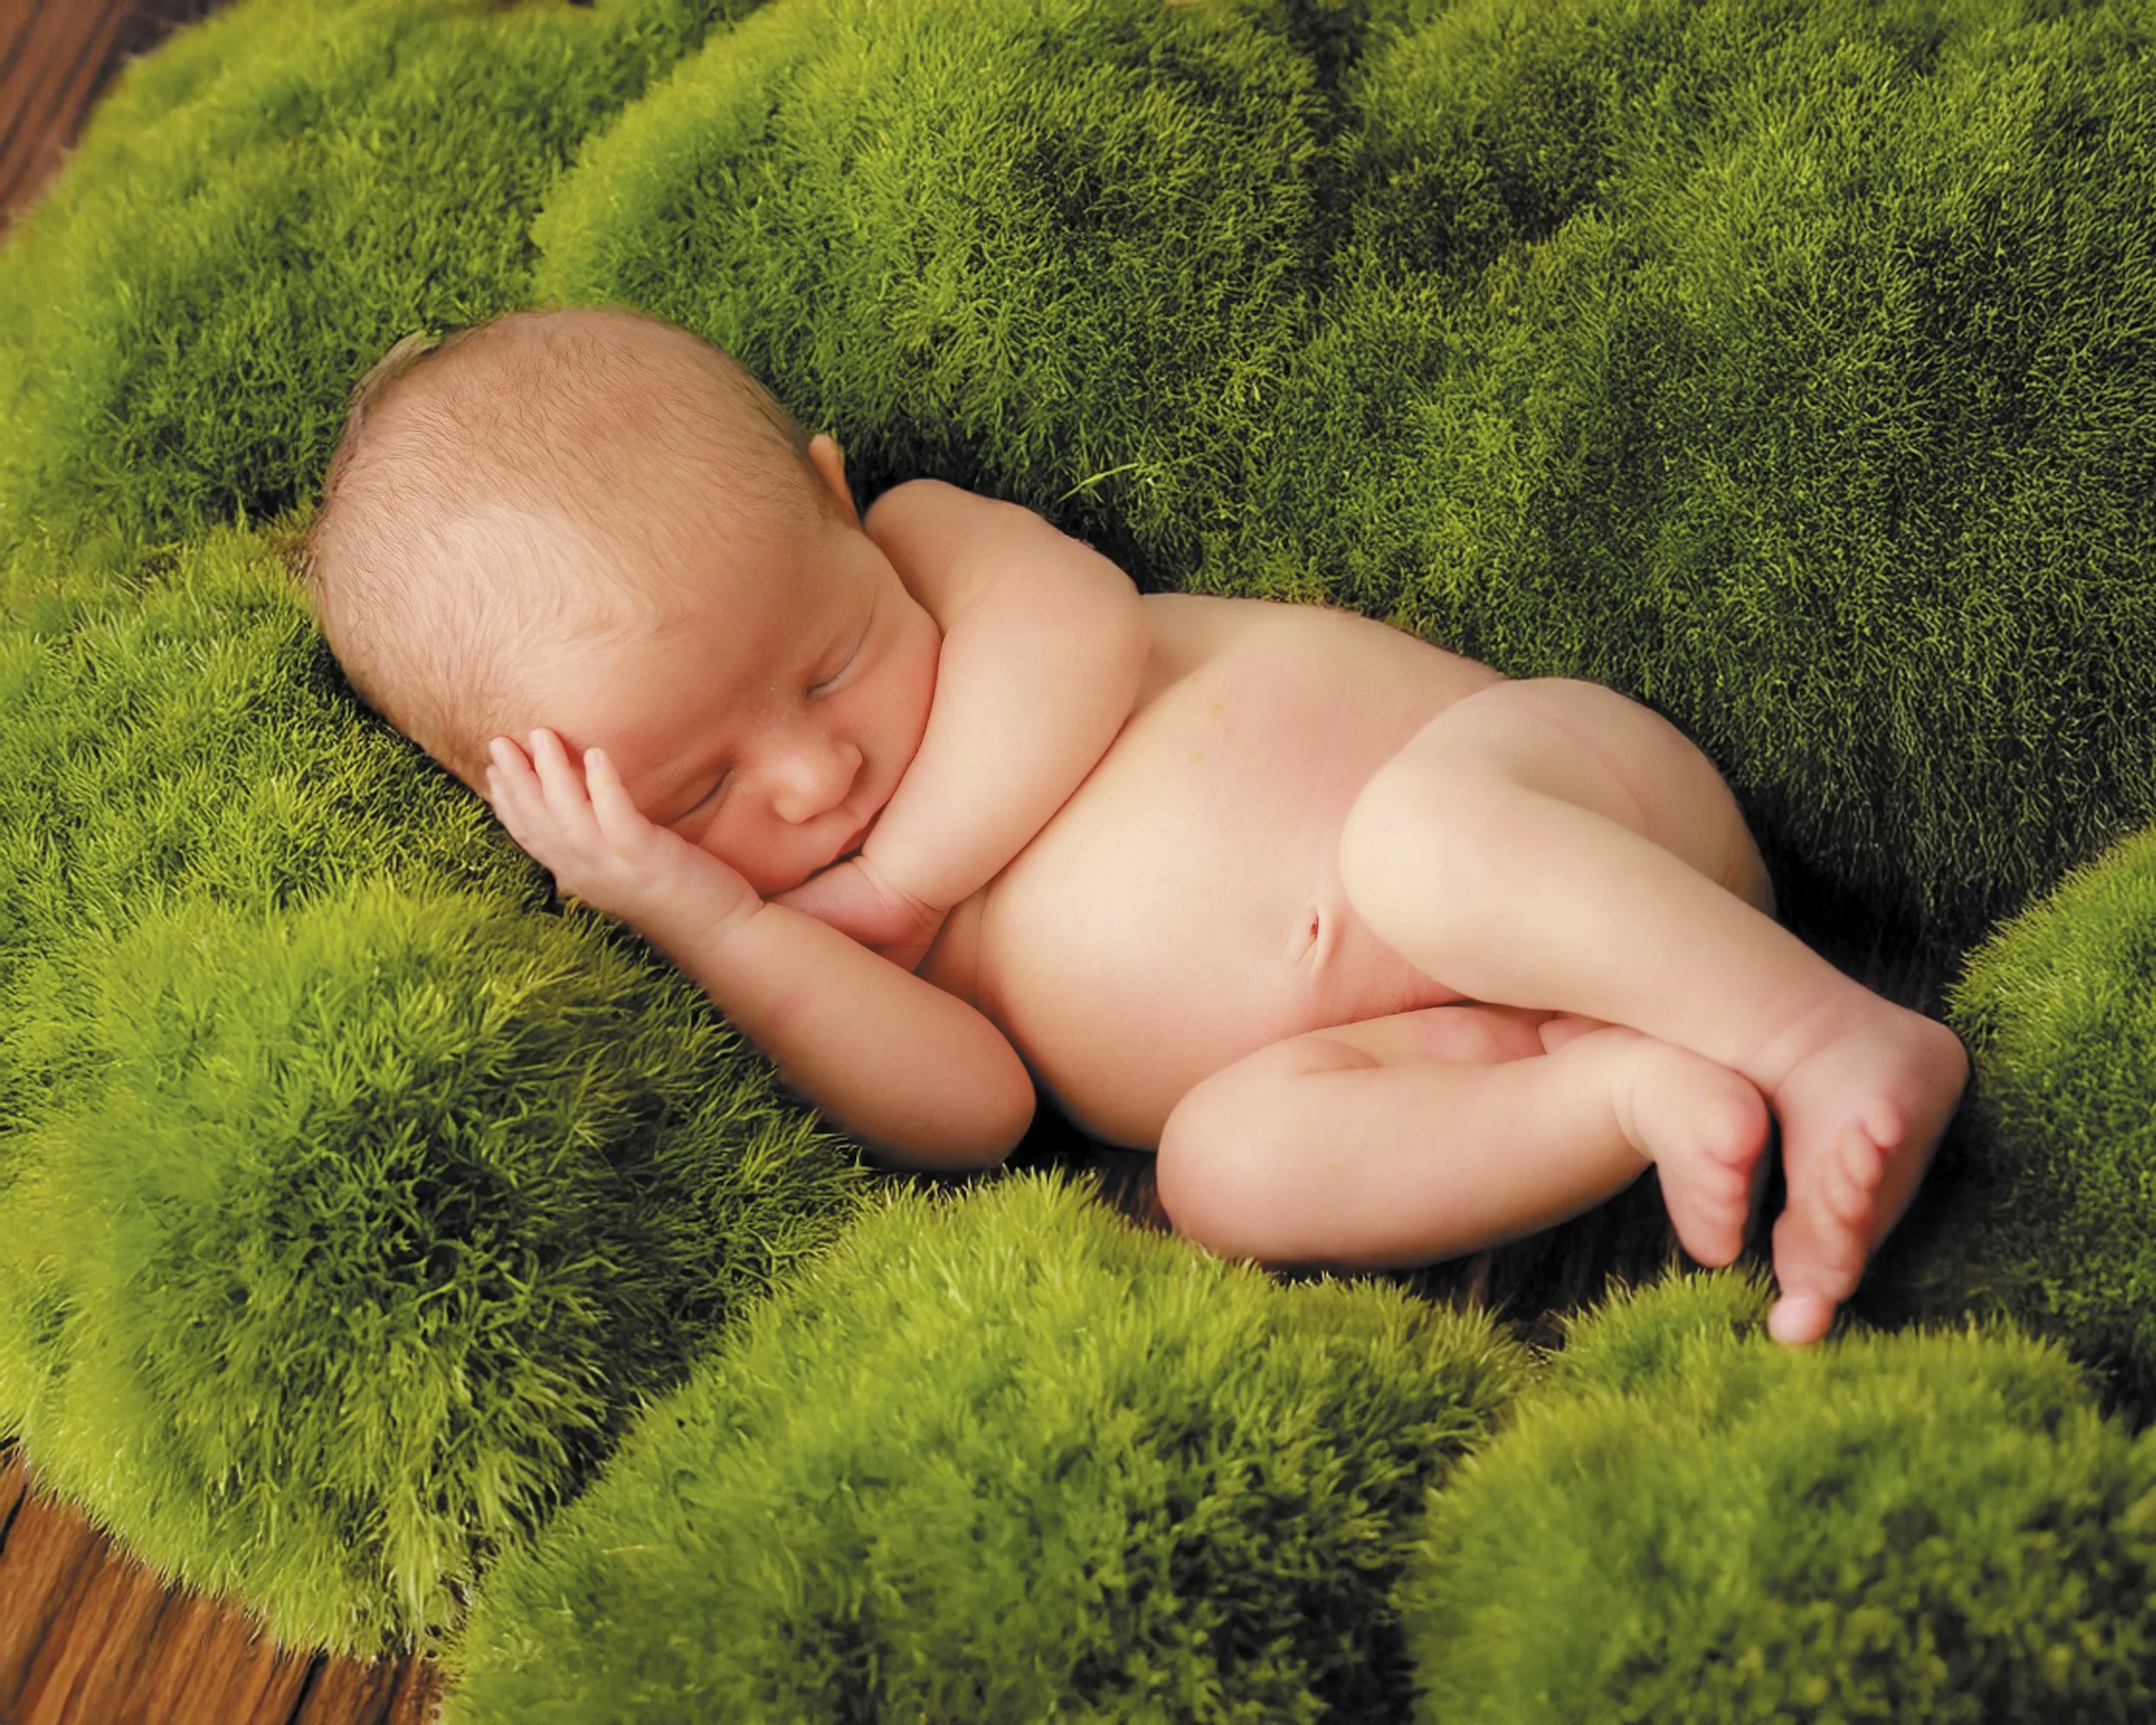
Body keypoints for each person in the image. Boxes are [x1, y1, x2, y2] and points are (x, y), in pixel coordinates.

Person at [299, 304, 1968, 1347]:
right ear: (546, 808)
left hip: (1555, 809)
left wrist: (906, 879)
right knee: (1219, 1172)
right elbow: (973, 1109)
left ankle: (1822, 1031)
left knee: (1425, 853)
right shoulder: (771, 921)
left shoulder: (932, 548)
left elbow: (1085, 640)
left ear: (831, 500)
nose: (810, 781)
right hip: (1468, 1041)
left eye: (831, 666)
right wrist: (710, 920)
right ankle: (1635, 1094)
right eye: (695, 793)